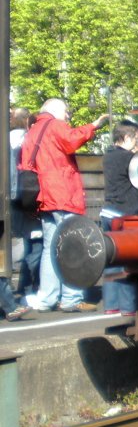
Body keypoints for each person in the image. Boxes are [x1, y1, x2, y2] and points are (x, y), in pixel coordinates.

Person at [20, 99, 109, 313]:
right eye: (66, 111)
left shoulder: (33, 131)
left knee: (51, 248)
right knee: (72, 245)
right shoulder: (55, 126)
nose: (68, 116)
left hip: (44, 196)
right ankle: (71, 298)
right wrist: (94, 125)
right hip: (63, 194)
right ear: (55, 110)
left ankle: (47, 297)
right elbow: (71, 140)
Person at [100, 121, 138, 317]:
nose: (137, 144)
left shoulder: (108, 156)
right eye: (136, 139)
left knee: (111, 258)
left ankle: (111, 304)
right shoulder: (129, 158)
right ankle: (128, 306)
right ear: (126, 138)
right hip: (124, 213)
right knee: (127, 259)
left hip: (108, 212)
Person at [10, 107, 43, 297]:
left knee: (28, 243)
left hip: (15, 198)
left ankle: (25, 286)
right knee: (36, 244)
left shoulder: (7, 139)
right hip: (27, 196)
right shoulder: (28, 140)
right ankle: (30, 288)